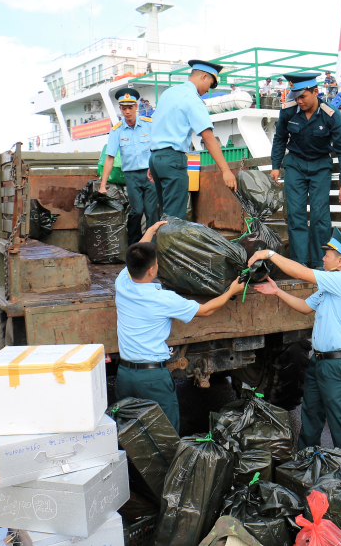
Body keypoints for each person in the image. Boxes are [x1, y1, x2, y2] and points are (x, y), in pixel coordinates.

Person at [114, 221, 245, 431]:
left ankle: (130, 465)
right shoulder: (163, 299)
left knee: (131, 433)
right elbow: (206, 310)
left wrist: (150, 230)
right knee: (164, 436)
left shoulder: (122, 283)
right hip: (152, 380)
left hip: (125, 376)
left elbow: (136, 256)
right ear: (152, 270)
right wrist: (231, 291)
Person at [248, 228, 341, 457]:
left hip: (336, 365)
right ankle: (305, 463)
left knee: (339, 420)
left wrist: (270, 254)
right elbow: (305, 307)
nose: (323, 258)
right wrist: (278, 291)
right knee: (310, 416)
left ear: (340, 261)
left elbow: (301, 273)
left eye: (327, 256)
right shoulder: (329, 288)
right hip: (319, 362)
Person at [270, 72, 341, 268]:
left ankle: (319, 263)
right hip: (295, 165)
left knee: (319, 216)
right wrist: (275, 166)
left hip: (320, 167)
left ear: (316, 91)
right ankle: (299, 264)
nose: (299, 101)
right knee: (296, 214)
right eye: (295, 97)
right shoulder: (288, 111)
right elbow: (280, 138)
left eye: (303, 96)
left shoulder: (331, 114)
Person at [149, 59, 237, 219]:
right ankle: (166, 245)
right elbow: (208, 138)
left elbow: (155, 126)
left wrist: (155, 160)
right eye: (210, 84)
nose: (208, 90)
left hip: (155, 159)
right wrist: (226, 171)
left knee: (164, 217)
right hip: (173, 160)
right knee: (174, 221)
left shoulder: (168, 93)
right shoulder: (193, 99)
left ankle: (154, 244)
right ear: (204, 77)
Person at [100, 88, 159, 245]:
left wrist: (155, 169)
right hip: (131, 176)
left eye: (130, 107)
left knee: (151, 211)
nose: (127, 111)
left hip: (150, 174)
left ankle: (152, 246)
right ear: (120, 109)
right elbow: (110, 158)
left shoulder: (149, 125)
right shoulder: (116, 130)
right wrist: (102, 185)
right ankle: (134, 246)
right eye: (124, 108)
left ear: (136, 107)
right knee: (137, 211)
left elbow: (157, 149)